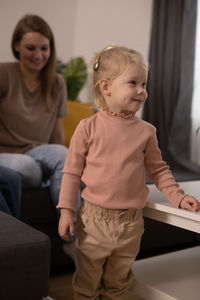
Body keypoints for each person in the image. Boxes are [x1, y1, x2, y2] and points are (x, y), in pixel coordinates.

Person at [57, 45, 200, 300]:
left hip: (131, 223)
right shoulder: (87, 127)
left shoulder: (146, 131)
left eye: (144, 83)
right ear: (106, 87)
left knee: (118, 284)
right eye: (133, 83)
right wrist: (67, 210)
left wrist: (177, 196)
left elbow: (158, 170)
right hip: (94, 220)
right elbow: (71, 173)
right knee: (87, 284)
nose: (142, 90)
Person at [0, 14, 78, 262]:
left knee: (62, 154)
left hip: (39, 152)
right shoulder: (4, 74)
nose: (38, 55)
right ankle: (47, 179)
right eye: (30, 48)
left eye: (44, 48)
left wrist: (72, 166)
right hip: (7, 155)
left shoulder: (56, 82)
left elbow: (57, 135)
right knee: (26, 167)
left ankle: (73, 242)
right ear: (16, 46)